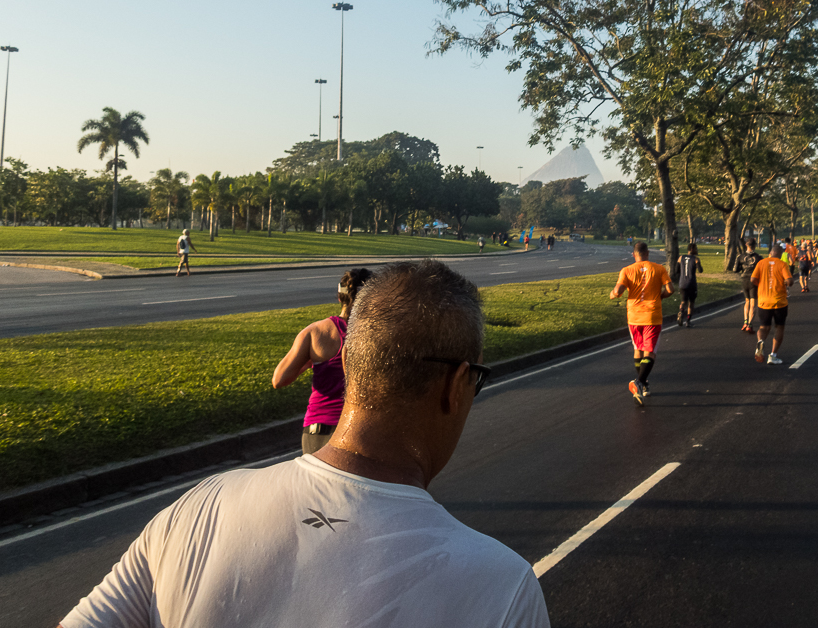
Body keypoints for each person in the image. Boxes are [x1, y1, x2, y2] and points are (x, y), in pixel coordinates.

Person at [60, 260, 549, 628]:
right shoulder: (503, 588)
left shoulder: (199, 505)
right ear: (455, 386)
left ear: (355, 359)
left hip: (315, 436)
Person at [273, 268, 374, 453]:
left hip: (316, 432)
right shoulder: (376, 336)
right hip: (356, 430)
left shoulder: (315, 332)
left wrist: (313, 360)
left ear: (339, 297)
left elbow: (279, 379)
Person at [610, 241, 673, 404]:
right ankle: (639, 382)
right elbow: (671, 289)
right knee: (650, 352)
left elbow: (618, 291)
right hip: (652, 315)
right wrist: (661, 296)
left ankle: (644, 385)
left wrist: (613, 294)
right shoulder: (659, 268)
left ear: (634, 254)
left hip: (634, 316)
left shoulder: (627, 270)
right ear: (647, 253)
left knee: (638, 349)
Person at [748, 245, 794, 365]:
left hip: (764, 301)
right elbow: (789, 281)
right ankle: (773, 355)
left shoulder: (761, 263)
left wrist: (761, 284)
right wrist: (785, 282)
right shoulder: (782, 264)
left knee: (764, 327)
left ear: (770, 253)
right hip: (779, 302)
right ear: (780, 254)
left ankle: (761, 341)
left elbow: (752, 279)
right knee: (779, 327)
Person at [737, 238, 763, 331]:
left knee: (746, 301)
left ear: (746, 245)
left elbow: (735, 269)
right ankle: (750, 324)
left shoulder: (740, 256)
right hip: (754, 280)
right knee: (753, 303)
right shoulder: (758, 257)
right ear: (755, 245)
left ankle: (745, 322)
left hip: (744, 279)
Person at [676, 242, 703, 327]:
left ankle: (680, 311)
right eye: (696, 248)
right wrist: (698, 263)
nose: (697, 250)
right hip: (691, 283)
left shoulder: (681, 258)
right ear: (692, 249)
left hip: (682, 283)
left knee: (683, 301)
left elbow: (676, 270)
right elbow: (700, 270)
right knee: (691, 303)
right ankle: (688, 321)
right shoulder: (695, 259)